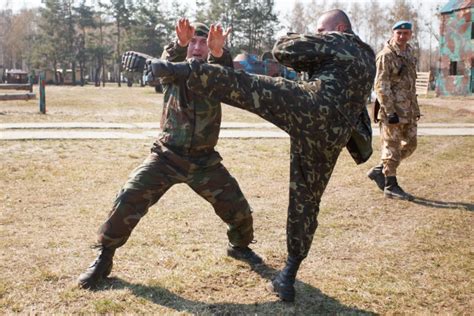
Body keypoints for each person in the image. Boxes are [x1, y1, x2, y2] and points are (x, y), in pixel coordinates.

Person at [126, 9, 376, 302]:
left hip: (309, 106)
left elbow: (284, 49)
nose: (319, 34)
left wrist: (305, 42)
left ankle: (172, 68)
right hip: (331, 135)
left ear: (340, 27)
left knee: (243, 85)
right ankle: (288, 276)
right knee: (306, 200)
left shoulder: (340, 40)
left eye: (321, 30)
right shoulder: (367, 58)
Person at [77, 19, 262, 290]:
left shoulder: (216, 74)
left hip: (204, 161)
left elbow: (228, 77)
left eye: (203, 42)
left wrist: (220, 52)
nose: (198, 47)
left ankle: (240, 247)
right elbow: (163, 66)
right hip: (167, 156)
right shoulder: (172, 69)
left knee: (239, 211)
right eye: (193, 42)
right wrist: (179, 44)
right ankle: (104, 258)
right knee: (129, 197)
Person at [367, 20, 420, 201]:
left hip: (408, 111)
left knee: (411, 144)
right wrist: (390, 112)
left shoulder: (410, 54)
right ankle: (391, 185)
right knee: (391, 147)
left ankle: (379, 170)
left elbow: (410, 85)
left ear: (410, 34)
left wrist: (415, 108)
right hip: (393, 112)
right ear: (393, 33)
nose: (402, 36)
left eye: (406, 33)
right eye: (399, 33)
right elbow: (381, 85)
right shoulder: (386, 55)